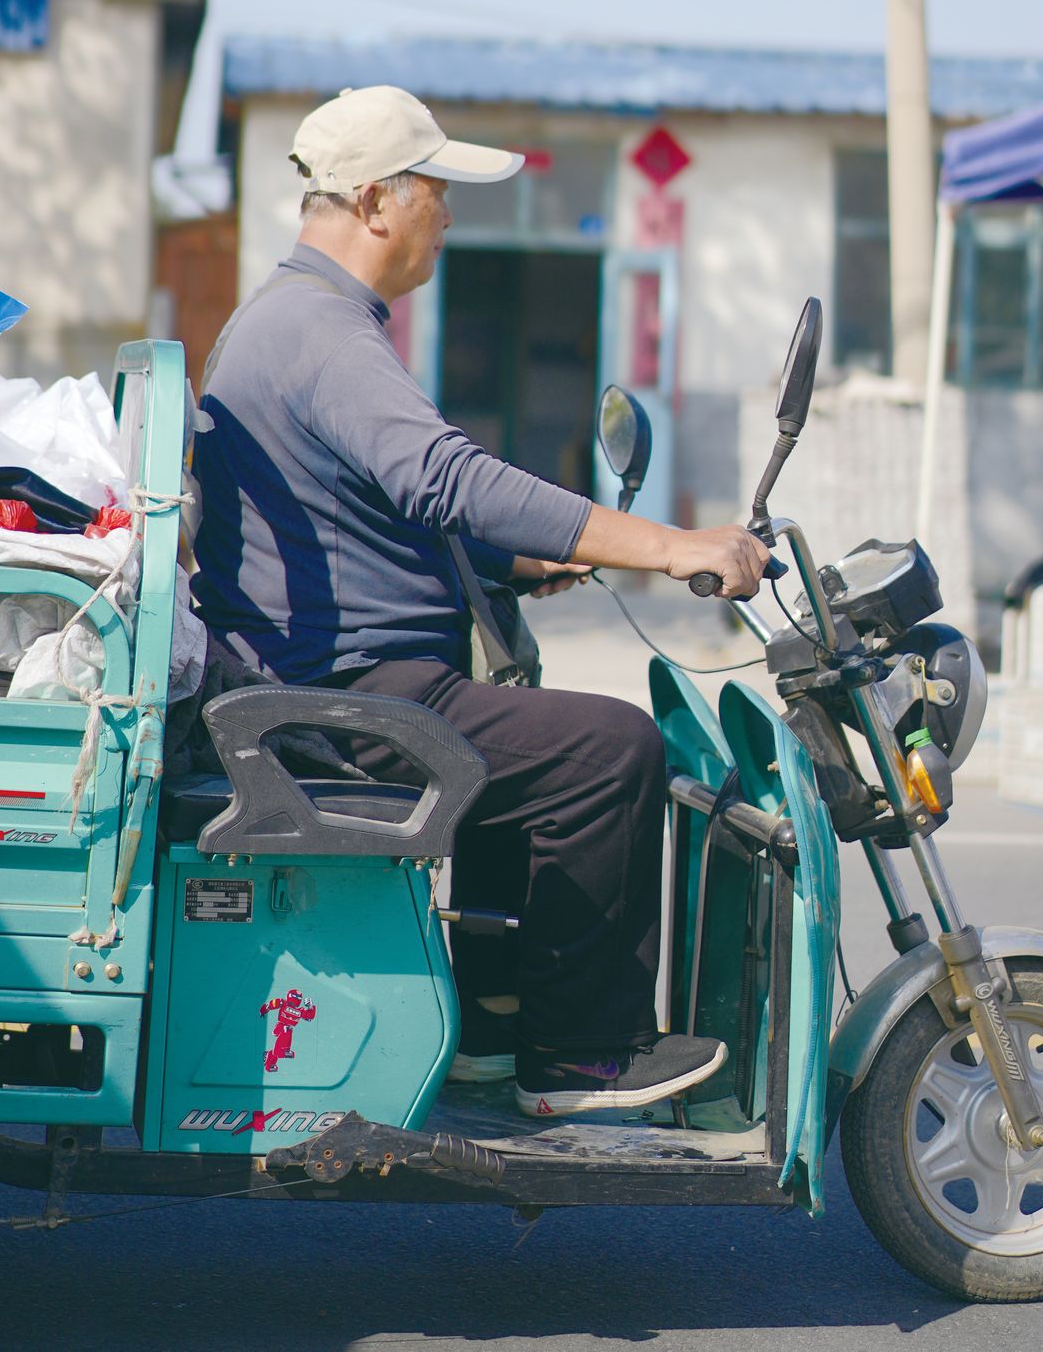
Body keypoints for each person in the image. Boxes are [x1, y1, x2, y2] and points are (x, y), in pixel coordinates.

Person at [192, 85, 769, 1119]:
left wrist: (504, 568)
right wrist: (672, 545)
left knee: (528, 730)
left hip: (336, 678)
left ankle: (493, 1034)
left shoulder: (294, 317)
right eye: (435, 192)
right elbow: (446, 480)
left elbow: (347, 511)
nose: (448, 216)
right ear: (376, 203)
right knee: (610, 751)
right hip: (349, 698)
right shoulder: (323, 331)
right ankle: (581, 1056)